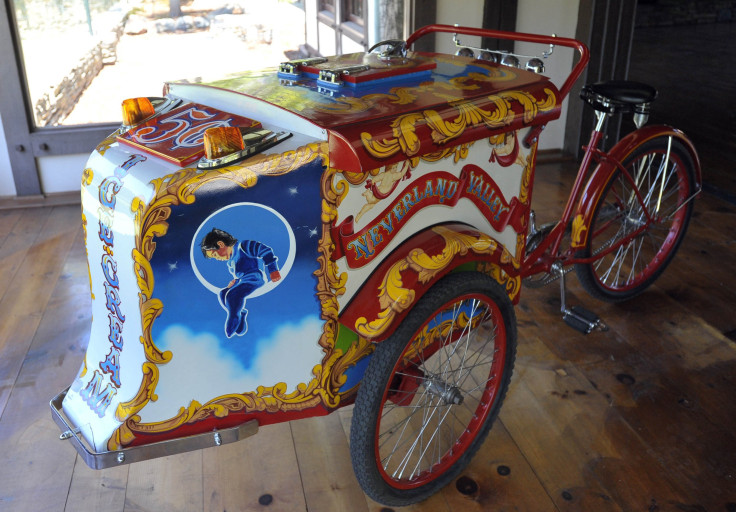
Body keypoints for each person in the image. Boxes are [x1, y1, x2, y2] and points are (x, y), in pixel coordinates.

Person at [201, 228, 281, 338]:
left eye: (215, 255)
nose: (217, 259)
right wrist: (235, 282)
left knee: (232, 296)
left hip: (255, 279)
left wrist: (273, 269)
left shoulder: (243, 247)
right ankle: (240, 314)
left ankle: (234, 318)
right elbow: (240, 275)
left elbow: (265, 250)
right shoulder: (230, 262)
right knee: (223, 293)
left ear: (221, 244)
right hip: (244, 281)